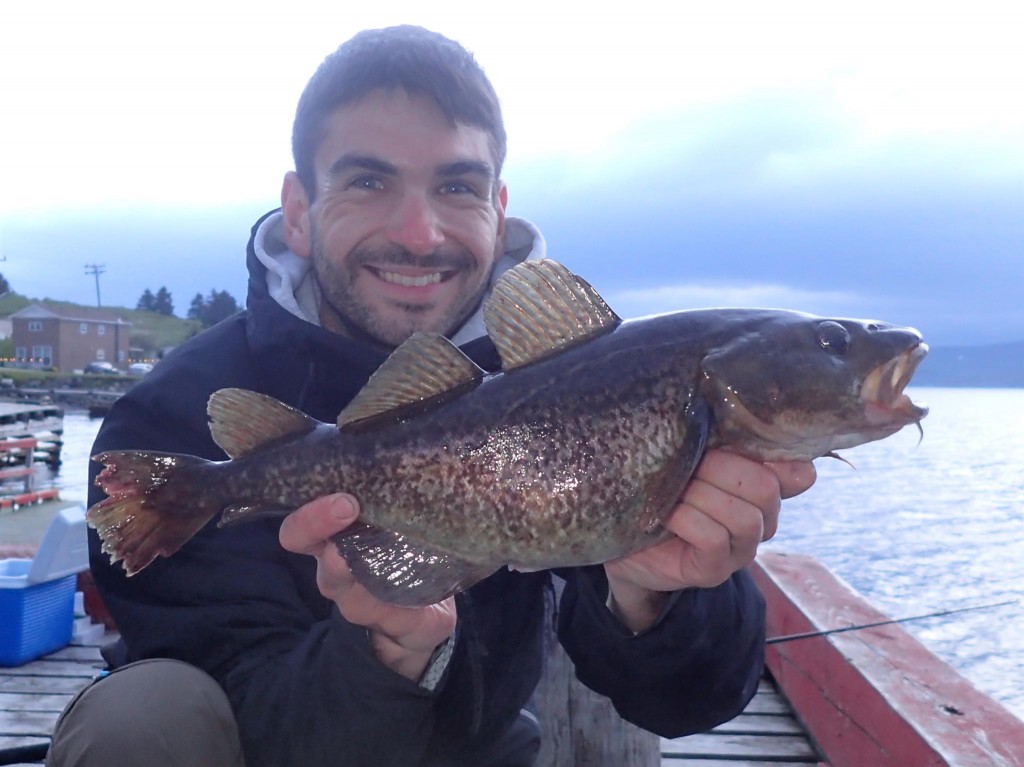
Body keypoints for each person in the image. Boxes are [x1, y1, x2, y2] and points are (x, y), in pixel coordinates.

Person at [47, 25, 816, 767]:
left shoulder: (579, 375)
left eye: (457, 185)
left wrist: (654, 595)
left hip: (476, 746)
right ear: (298, 210)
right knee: (139, 720)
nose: (419, 233)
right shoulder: (170, 415)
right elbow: (245, 696)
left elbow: (688, 702)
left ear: (499, 206)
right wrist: (385, 648)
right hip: (259, 747)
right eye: (368, 181)